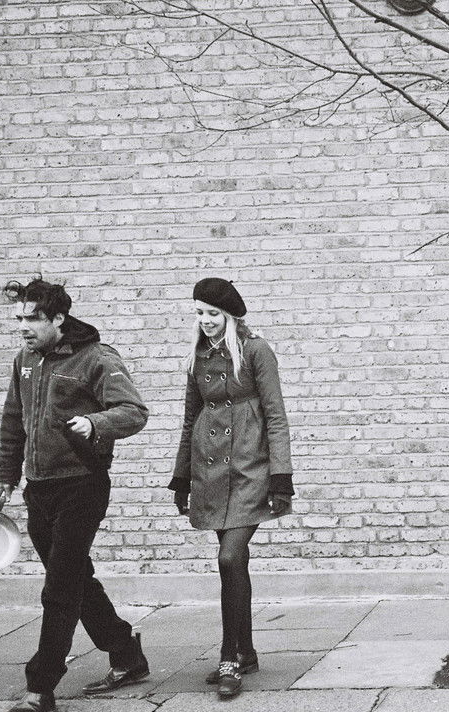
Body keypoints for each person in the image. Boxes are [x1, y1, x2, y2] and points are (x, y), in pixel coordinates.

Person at [0, 278, 151, 712]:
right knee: (75, 578)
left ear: (59, 318)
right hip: (39, 488)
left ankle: (40, 687)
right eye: (19, 318)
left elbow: (134, 411)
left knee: (59, 587)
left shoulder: (96, 358)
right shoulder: (25, 360)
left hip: (82, 484)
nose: (23, 327)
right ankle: (126, 652)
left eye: (32, 319)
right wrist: (7, 473)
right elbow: (14, 419)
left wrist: (95, 423)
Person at [169, 277, 293, 700]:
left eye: (213, 313)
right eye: (199, 313)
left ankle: (228, 658)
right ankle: (248, 652)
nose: (205, 321)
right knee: (234, 564)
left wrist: (281, 477)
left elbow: (275, 416)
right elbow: (190, 418)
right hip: (210, 471)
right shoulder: (198, 356)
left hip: (249, 470)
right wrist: (182, 477)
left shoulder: (256, 351)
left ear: (231, 315)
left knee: (229, 557)